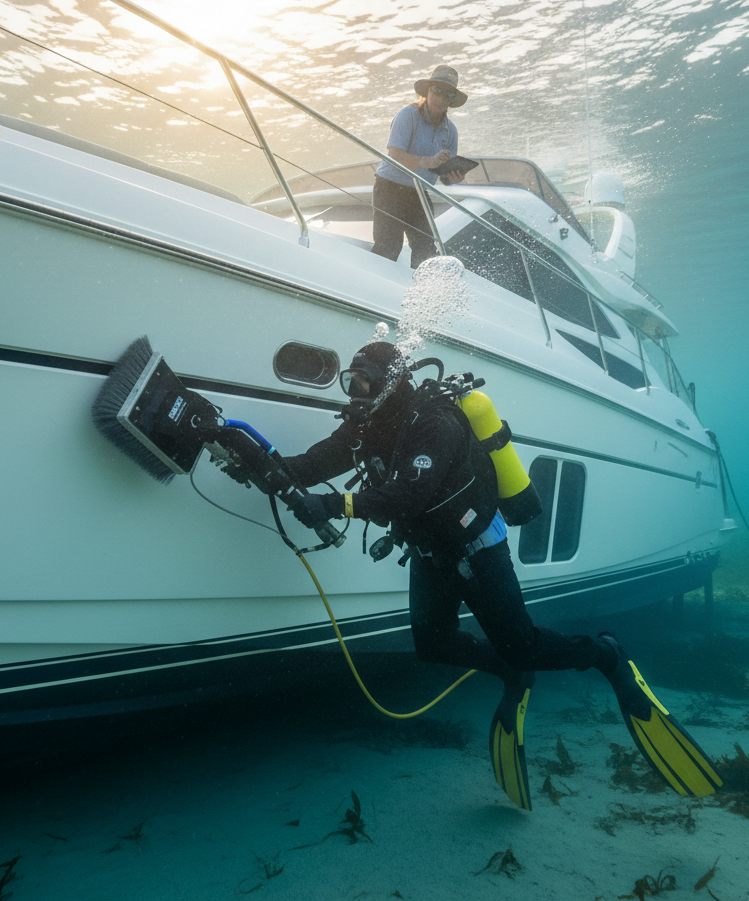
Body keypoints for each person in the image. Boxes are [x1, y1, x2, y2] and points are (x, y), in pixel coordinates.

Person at [277, 341, 723, 809]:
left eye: (365, 381)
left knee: (523, 644)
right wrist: (247, 452)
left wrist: (334, 504)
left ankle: (606, 655)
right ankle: (512, 672)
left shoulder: (435, 421)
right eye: (352, 382)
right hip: (432, 551)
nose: (356, 394)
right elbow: (313, 464)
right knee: (435, 645)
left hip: (477, 546)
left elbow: (407, 495)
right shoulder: (368, 426)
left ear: (391, 382)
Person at [371, 65, 468, 268]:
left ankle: (417, 294)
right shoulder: (408, 115)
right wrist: (428, 161)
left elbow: (443, 177)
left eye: (447, 93)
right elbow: (395, 155)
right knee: (388, 245)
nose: (441, 97)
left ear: (451, 100)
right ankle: (368, 292)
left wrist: (453, 177)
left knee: (426, 250)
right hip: (389, 187)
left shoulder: (451, 132)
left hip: (419, 192)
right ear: (427, 91)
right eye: (437, 90)